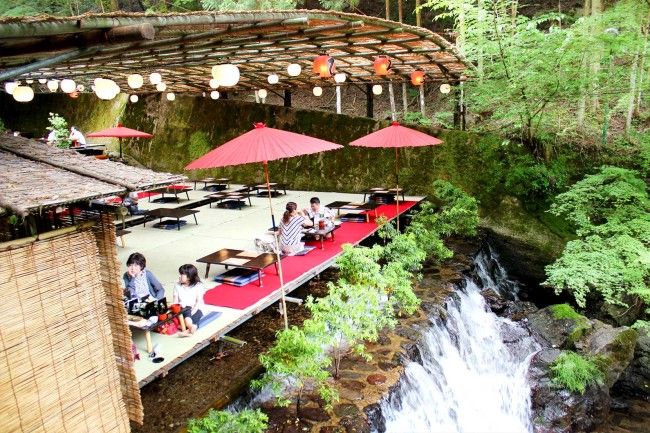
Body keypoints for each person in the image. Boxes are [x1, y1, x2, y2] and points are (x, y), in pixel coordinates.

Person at [173, 264, 205, 334]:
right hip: (182, 309)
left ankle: (186, 329)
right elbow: (175, 302)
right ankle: (190, 328)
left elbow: (198, 302)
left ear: (189, 277)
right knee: (173, 320)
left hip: (196, 308)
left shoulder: (198, 285)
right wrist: (176, 312)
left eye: (181, 274)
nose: (179, 276)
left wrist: (190, 313)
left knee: (189, 319)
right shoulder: (176, 285)